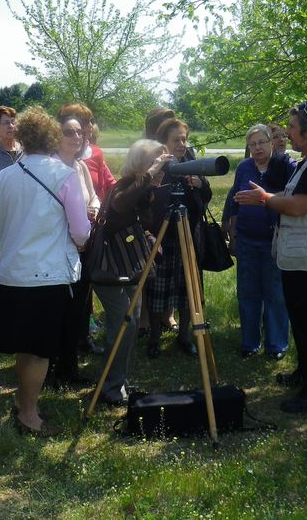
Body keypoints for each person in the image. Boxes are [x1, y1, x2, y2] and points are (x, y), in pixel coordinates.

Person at [235, 100, 307, 414]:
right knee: (302, 322)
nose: (287, 133)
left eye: (293, 127)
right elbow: (293, 197)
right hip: (302, 257)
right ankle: (305, 375)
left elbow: (298, 206)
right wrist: (270, 197)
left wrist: (265, 199)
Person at [0, 106, 90, 435]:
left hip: (13, 271)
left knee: (26, 347)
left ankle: (24, 404)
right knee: (39, 351)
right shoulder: (64, 175)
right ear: (51, 137)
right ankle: (29, 415)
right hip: (46, 273)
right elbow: (81, 232)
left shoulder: (6, 175)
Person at [92, 139, 172, 405]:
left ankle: (120, 381)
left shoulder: (144, 191)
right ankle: (110, 388)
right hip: (110, 269)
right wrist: (150, 176)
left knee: (132, 323)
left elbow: (140, 221)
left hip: (130, 266)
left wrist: (148, 235)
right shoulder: (124, 186)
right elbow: (120, 206)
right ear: (140, 164)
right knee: (122, 327)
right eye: (155, 162)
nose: (160, 168)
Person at [226, 125, 295, 359]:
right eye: (252, 144)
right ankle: (250, 343)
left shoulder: (285, 166)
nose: (257, 148)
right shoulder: (244, 168)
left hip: (274, 239)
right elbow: (235, 202)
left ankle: (276, 345)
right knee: (247, 292)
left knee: (275, 293)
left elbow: (296, 197)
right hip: (246, 239)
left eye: (262, 142)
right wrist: (233, 234)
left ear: (271, 142)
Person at [147, 118, 212, 358]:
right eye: (176, 140)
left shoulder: (191, 162)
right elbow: (147, 201)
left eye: (184, 139)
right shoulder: (157, 165)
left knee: (188, 289)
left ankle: (184, 336)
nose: (182, 144)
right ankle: (154, 337)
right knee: (157, 288)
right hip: (163, 237)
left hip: (189, 234)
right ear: (164, 142)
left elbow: (205, 198)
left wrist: (200, 184)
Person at [49, 114, 100, 387]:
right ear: (56, 136)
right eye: (69, 132)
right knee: (58, 312)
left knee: (78, 310)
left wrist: (94, 208)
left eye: (80, 132)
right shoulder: (52, 168)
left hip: (83, 247)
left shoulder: (79, 166)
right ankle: (50, 368)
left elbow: (94, 196)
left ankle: (69, 367)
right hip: (59, 249)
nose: (77, 137)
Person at [59, 103, 115, 202]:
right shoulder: (55, 156)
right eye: (85, 121)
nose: (90, 125)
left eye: (91, 120)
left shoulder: (96, 152)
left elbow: (108, 183)